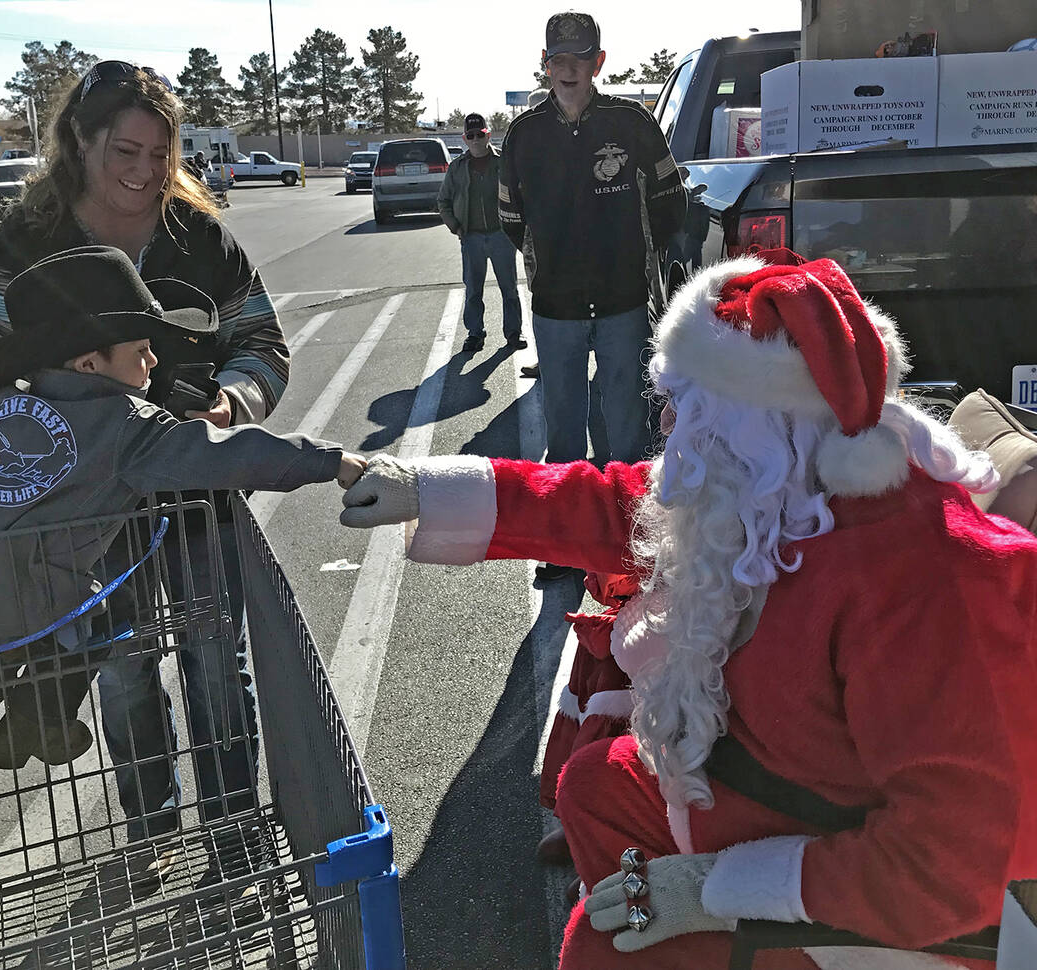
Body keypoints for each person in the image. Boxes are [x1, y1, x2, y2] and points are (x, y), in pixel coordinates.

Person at [339, 250, 1037, 969]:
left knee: (600, 945)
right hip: (791, 801)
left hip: (879, 921)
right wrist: (423, 489)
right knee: (594, 785)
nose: (671, 423)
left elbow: (952, 872)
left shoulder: (926, 581)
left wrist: (713, 890)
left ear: (766, 425)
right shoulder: (782, 484)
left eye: (695, 408)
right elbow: (619, 505)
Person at [0, 246, 364, 860]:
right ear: (90, 362)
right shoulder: (128, 425)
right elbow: (226, 454)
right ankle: (40, 715)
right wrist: (329, 459)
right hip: (43, 605)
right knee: (112, 612)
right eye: (140, 350)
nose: (154, 361)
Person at [0, 60, 292, 862]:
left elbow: (263, 344)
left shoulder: (200, 240)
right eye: (124, 151)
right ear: (80, 141)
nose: (143, 173)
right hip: (84, 512)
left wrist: (230, 402)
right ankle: (150, 828)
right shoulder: (30, 241)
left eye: (159, 155)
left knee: (211, 659)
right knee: (125, 667)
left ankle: (235, 828)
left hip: (193, 492)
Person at [500, 11, 686, 580]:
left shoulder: (630, 124)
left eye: (581, 58)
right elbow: (510, 217)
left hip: (623, 301)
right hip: (555, 307)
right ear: (545, 63)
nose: (569, 69)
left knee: (627, 427)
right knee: (562, 430)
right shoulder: (524, 135)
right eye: (559, 59)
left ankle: (631, 544)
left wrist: (650, 266)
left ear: (599, 62)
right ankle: (566, 545)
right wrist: (550, 257)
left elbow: (669, 199)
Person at [437, 113, 525, 355]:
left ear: (488, 135)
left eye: (480, 134)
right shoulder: (457, 168)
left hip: (501, 236)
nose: (476, 140)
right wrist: (455, 226)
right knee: (473, 289)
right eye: (470, 136)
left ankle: (514, 333)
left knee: (509, 288)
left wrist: (517, 225)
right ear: (465, 139)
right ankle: (475, 333)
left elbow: (520, 192)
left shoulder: (504, 161)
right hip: (471, 237)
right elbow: (443, 201)